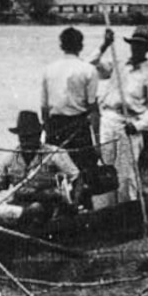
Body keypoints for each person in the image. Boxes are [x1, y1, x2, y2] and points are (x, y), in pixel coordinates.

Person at [91, 25, 148, 203]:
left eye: (141, 45)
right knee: (106, 171)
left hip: (129, 125)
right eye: (134, 44)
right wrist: (105, 44)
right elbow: (91, 65)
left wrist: (138, 126)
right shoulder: (118, 63)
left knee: (126, 175)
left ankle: (127, 211)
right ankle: (107, 211)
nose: (136, 48)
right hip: (108, 120)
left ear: (147, 49)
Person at [40, 27, 101, 203]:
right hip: (78, 126)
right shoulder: (88, 70)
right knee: (83, 171)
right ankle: (82, 208)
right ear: (80, 46)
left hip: (56, 125)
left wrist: (47, 131)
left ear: (61, 45)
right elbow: (93, 109)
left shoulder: (49, 69)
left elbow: (44, 108)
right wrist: (97, 141)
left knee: (56, 171)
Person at [0, 110, 82, 218]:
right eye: (23, 137)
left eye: (30, 136)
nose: (26, 141)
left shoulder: (54, 154)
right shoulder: (10, 158)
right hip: (20, 203)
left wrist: (74, 202)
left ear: (39, 135)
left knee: (37, 208)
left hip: (47, 203)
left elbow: (76, 177)